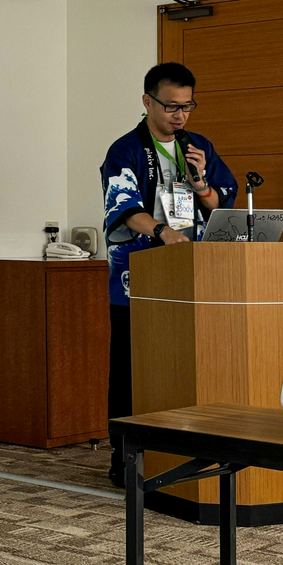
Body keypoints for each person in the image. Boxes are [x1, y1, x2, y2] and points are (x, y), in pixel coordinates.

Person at [99, 62, 238, 487]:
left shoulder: (198, 146)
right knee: (132, 368)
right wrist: (163, 232)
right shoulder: (125, 150)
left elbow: (221, 202)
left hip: (192, 274)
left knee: (187, 361)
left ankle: (186, 448)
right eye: (171, 106)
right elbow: (123, 209)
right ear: (148, 102)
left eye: (188, 106)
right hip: (138, 277)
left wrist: (201, 185)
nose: (180, 115)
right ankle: (125, 457)